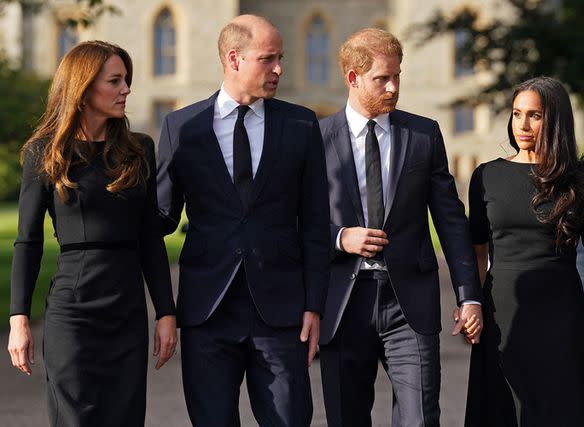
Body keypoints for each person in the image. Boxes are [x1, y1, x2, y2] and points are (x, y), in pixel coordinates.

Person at [156, 15, 329, 427]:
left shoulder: (302, 124)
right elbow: (159, 219)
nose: (279, 69)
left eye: (280, 58)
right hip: (207, 313)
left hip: (282, 315)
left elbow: (316, 224)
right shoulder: (182, 128)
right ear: (234, 59)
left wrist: (314, 305)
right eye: (268, 59)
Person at [318, 28, 483, 427]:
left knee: (421, 419)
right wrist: (341, 237)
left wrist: (468, 295)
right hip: (343, 303)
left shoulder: (423, 134)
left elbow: (450, 219)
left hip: (409, 305)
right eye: (381, 79)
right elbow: (293, 222)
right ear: (353, 78)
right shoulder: (316, 138)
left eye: (397, 76)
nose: (393, 88)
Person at [7, 40, 177, 426]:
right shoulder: (45, 153)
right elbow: (28, 241)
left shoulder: (139, 150)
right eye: (115, 81)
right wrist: (19, 318)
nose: (126, 90)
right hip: (73, 314)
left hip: (127, 311)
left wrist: (166, 312)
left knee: (125, 416)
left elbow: (151, 237)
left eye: (126, 80)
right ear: (84, 89)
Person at [464, 76, 584, 427]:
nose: (522, 125)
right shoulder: (486, 177)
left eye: (535, 116)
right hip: (501, 320)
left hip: (560, 323)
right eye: (516, 113)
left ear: (555, 120)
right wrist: (470, 305)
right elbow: (477, 255)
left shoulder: (583, 183)